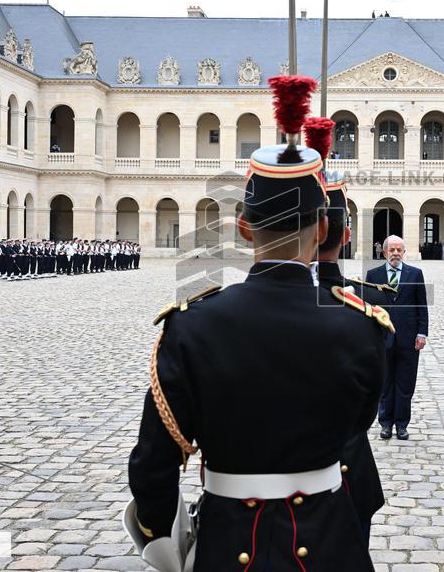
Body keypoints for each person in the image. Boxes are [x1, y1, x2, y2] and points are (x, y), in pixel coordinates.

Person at [126, 84, 390, 571]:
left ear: (245, 226)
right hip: (332, 543)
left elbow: (152, 467)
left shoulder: (192, 328)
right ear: (325, 228)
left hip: (229, 543)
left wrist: (166, 540)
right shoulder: (362, 327)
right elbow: (358, 425)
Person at [306, 124, 388, 543]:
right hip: (345, 481)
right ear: (346, 234)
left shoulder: (204, 319)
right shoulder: (363, 316)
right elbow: (365, 413)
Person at [366, 235, 429, 441]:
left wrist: (422, 333)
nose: (395, 253)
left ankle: (402, 425)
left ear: (403, 252)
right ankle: (385, 424)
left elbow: (422, 306)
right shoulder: (373, 275)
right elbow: (368, 308)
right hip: (382, 338)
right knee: (384, 383)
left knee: (405, 384)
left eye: (398, 250)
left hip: (409, 338)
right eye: (391, 250)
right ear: (384, 252)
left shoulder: (415, 274)